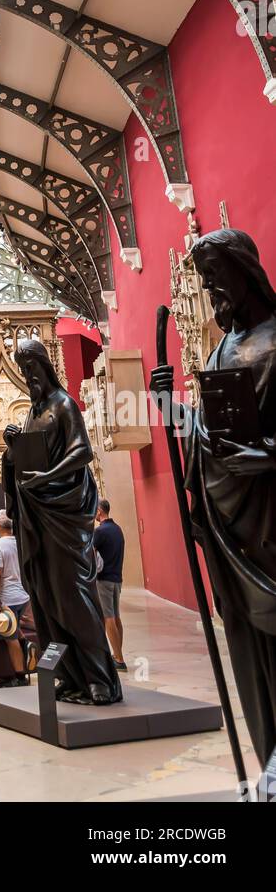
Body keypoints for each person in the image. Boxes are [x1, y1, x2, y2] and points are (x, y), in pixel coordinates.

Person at [150, 227, 276, 766]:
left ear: (243, 271)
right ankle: (269, 756)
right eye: (203, 281)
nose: (209, 290)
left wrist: (269, 455)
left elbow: (253, 443)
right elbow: (211, 433)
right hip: (230, 524)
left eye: (215, 277)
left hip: (269, 520)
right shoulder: (224, 346)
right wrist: (167, 407)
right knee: (247, 645)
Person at [3, 337, 121, 706]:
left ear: (45, 367)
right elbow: (27, 457)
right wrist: (12, 447)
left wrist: (45, 478)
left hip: (63, 515)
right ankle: (72, 678)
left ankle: (100, 679)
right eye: (23, 371)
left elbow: (82, 451)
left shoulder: (62, 404)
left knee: (73, 596)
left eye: (32, 369)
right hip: (38, 514)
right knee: (46, 597)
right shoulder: (34, 411)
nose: (28, 376)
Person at [0, 509, 31, 680]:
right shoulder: (20, 543)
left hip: (9, 598)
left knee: (9, 637)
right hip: (23, 596)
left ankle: (19, 676)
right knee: (15, 629)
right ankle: (27, 645)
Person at [94, 499, 126, 671]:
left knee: (108, 618)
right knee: (116, 616)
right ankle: (117, 653)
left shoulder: (100, 532)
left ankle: (119, 659)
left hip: (104, 579)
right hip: (117, 578)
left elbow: (90, 555)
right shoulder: (117, 529)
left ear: (100, 511)